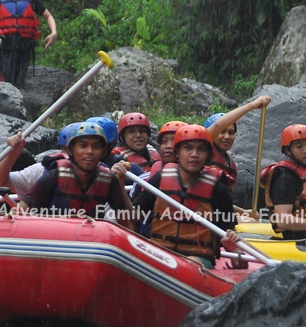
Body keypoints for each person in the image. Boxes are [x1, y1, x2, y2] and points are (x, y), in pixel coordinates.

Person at [131, 124, 245, 268]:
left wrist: (238, 255)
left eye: (201, 149)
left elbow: (228, 233)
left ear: (208, 155)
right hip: (160, 251)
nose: (194, 154)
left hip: (198, 257)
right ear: (177, 153)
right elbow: (131, 217)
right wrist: (120, 180)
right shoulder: (159, 180)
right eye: (188, 148)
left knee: (189, 264)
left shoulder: (218, 189)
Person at [16, 122, 136, 230]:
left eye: (96, 146)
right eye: (83, 146)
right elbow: (21, 211)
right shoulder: (54, 176)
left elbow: (125, 222)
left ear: (103, 152)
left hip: (88, 239)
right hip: (52, 238)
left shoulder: (109, 180)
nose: (89, 151)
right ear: (71, 151)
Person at [203, 95, 272, 190]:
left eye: (231, 133)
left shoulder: (231, 164)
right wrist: (251, 105)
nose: (227, 137)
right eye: (222, 132)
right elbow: (218, 125)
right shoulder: (203, 147)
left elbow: (226, 201)